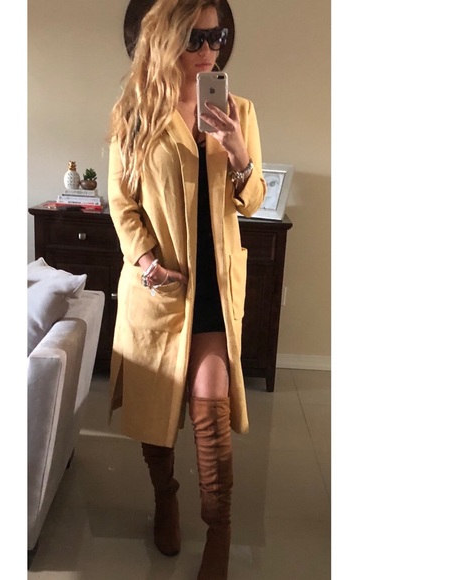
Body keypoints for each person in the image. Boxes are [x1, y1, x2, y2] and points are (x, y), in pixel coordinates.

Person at [107, 1, 266, 577]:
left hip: (215, 291)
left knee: (210, 403)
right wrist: (146, 261)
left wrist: (238, 152)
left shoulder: (238, 109)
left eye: (216, 37)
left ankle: (219, 529)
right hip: (162, 287)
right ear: (166, 40)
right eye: (195, 39)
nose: (209, 50)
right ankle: (165, 497)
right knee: (157, 405)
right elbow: (121, 202)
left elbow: (251, 201)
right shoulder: (134, 112)